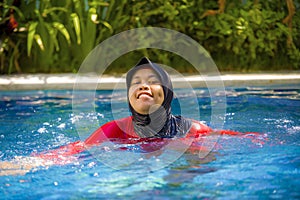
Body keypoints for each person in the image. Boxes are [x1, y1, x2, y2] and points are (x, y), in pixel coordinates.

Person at [0, 57, 261, 176]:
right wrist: (24, 164)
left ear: (167, 94)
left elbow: (234, 140)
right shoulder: (114, 130)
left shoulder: (190, 129)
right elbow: (71, 151)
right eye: (135, 82)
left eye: (152, 81)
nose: (143, 85)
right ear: (129, 96)